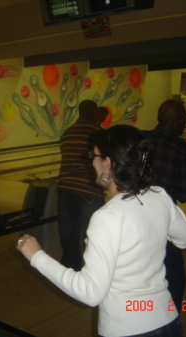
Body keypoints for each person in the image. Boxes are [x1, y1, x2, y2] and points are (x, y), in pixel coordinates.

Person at [17, 125, 186, 337]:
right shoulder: (159, 196)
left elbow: (90, 293)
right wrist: (157, 221)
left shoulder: (107, 217)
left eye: (94, 155)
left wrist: (37, 256)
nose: (91, 160)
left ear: (108, 163)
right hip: (169, 322)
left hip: (127, 330)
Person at [145, 99, 186, 313]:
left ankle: (145, 312)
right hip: (164, 220)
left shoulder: (142, 139)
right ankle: (170, 315)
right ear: (178, 121)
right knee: (174, 273)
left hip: (135, 216)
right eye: (184, 120)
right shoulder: (182, 148)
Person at [57, 100, 108, 271]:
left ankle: (71, 277)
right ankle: (94, 276)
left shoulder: (67, 133)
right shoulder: (99, 133)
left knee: (69, 238)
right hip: (89, 190)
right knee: (93, 237)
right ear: (94, 114)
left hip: (66, 190)